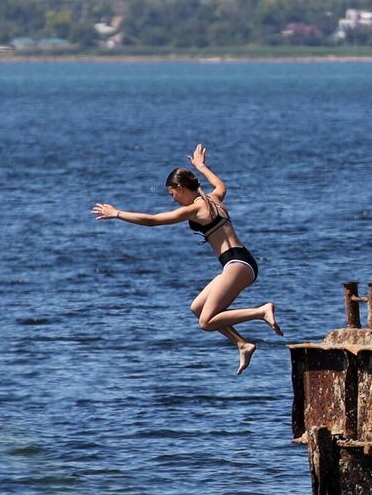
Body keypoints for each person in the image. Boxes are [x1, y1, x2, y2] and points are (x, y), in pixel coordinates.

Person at [92, 144, 282, 374]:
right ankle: (242, 343)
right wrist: (201, 166)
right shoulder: (214, 198)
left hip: (236, 264)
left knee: (205, 322)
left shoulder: (195, 209)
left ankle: (261, 312)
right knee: (197, 307)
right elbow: (222, 185)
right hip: (241, 262)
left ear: (180, 188)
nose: (173, 200)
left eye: (172, 194)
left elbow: (153, 220)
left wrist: (118, 213)